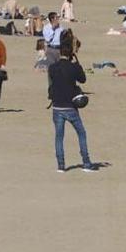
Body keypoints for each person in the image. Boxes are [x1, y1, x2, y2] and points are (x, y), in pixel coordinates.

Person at [48, 42, 96, 173]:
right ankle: (86, 163)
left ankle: (61, 166)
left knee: (59, 137)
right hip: (70, 106)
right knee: (81, 133)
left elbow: (53, 80)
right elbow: (83, 79)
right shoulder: (73, 67)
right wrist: (77, 63)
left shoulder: (52, 68)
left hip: (57, 107)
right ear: (71, 55)